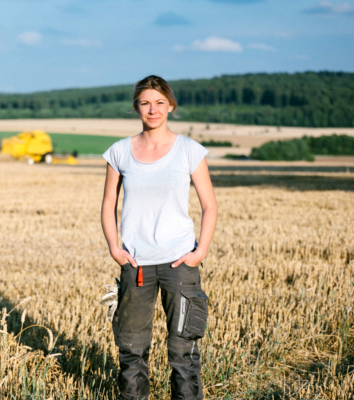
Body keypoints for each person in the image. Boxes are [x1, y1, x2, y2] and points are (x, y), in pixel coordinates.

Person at [101, 75, 217, 400]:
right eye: (145, 103)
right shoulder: (120, 152)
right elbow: (108, 203)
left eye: (159, 103)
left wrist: (200, 251)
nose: (153, 110)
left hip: (180, 262)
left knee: (184, 352)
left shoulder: (189, 150)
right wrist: (114, 247)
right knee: (131, 350)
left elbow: (210, 205)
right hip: (136, 264)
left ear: (171, 106)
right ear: (136, 107)